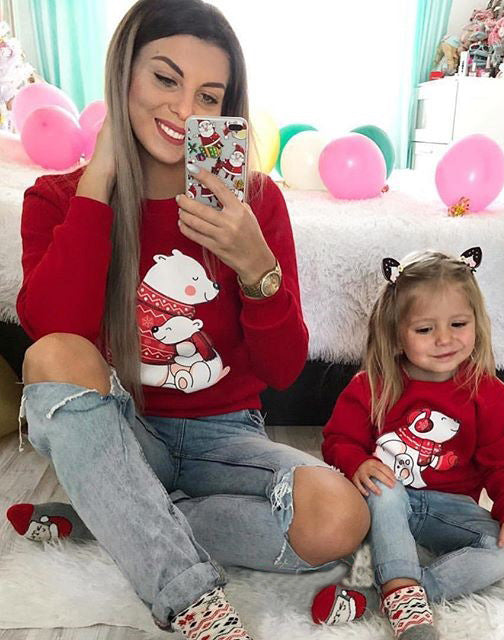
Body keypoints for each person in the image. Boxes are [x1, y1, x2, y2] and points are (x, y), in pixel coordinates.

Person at [5, 1, 370, 639]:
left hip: (226, 437)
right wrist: (99, 181)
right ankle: (191, 599)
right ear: (124, 78)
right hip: (119, 432)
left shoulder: (254, 202)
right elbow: (54, 336)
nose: (184, 110)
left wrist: (257, 266)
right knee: (56, 354)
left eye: (208, 94)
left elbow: (282, 368)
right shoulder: (57, 198)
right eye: (165, 80)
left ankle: (115, 515)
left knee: (339, 519)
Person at [317, 248, 504, 639]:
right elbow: (338, 440)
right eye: (425, 329)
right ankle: (402, 590)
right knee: (385, 489)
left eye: (458, 324)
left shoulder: (488, 395)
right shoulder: (372, 386)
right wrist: (357, 462)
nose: (444, 339)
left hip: (448, 508)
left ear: (477, 323)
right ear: (396, 333)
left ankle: (395, 595)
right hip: (384, 504)